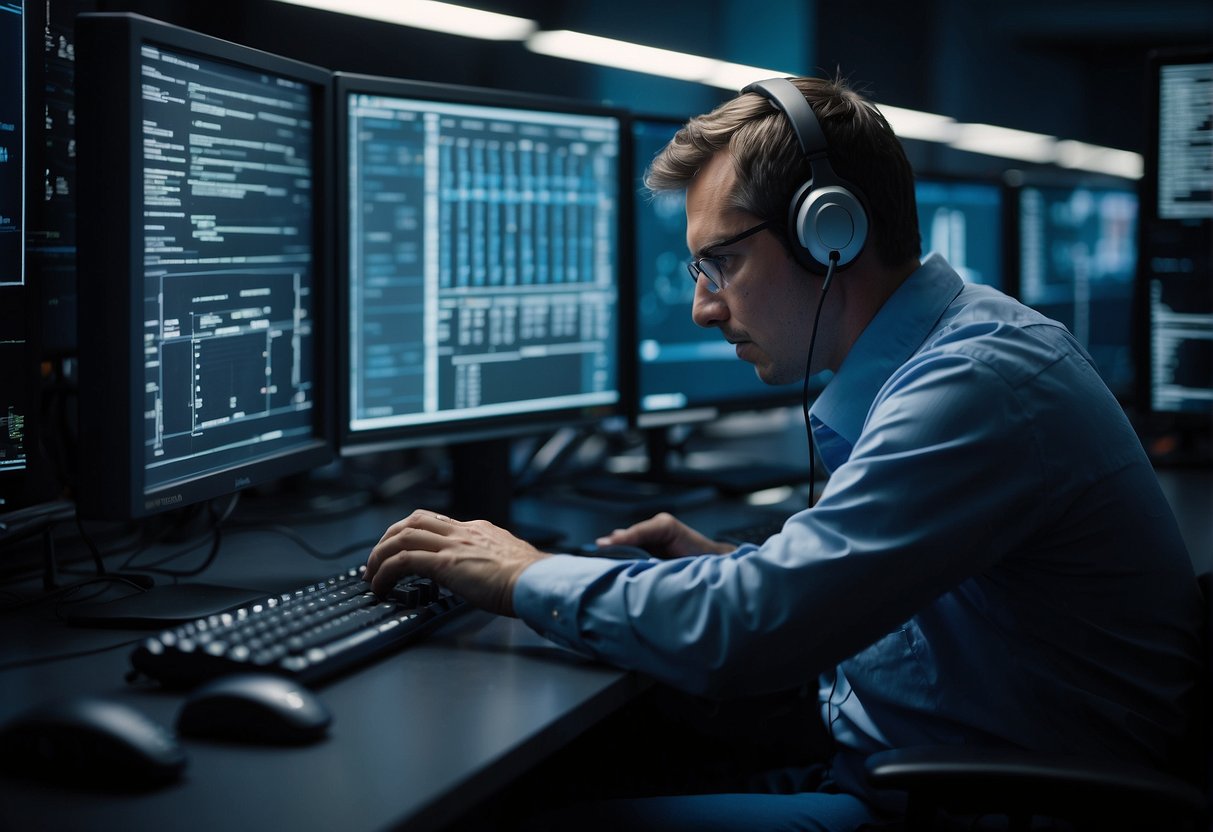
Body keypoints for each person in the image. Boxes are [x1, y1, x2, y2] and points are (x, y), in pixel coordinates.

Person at [364, 76, 1204, 831]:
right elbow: (888, 598)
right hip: (922, 768)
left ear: (828, 234)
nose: (702, 307)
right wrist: (739, 565)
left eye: (719, 263)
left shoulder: (975, 384)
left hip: (980, 807)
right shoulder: (961, 349)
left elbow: (746, 634)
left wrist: (520, 575)